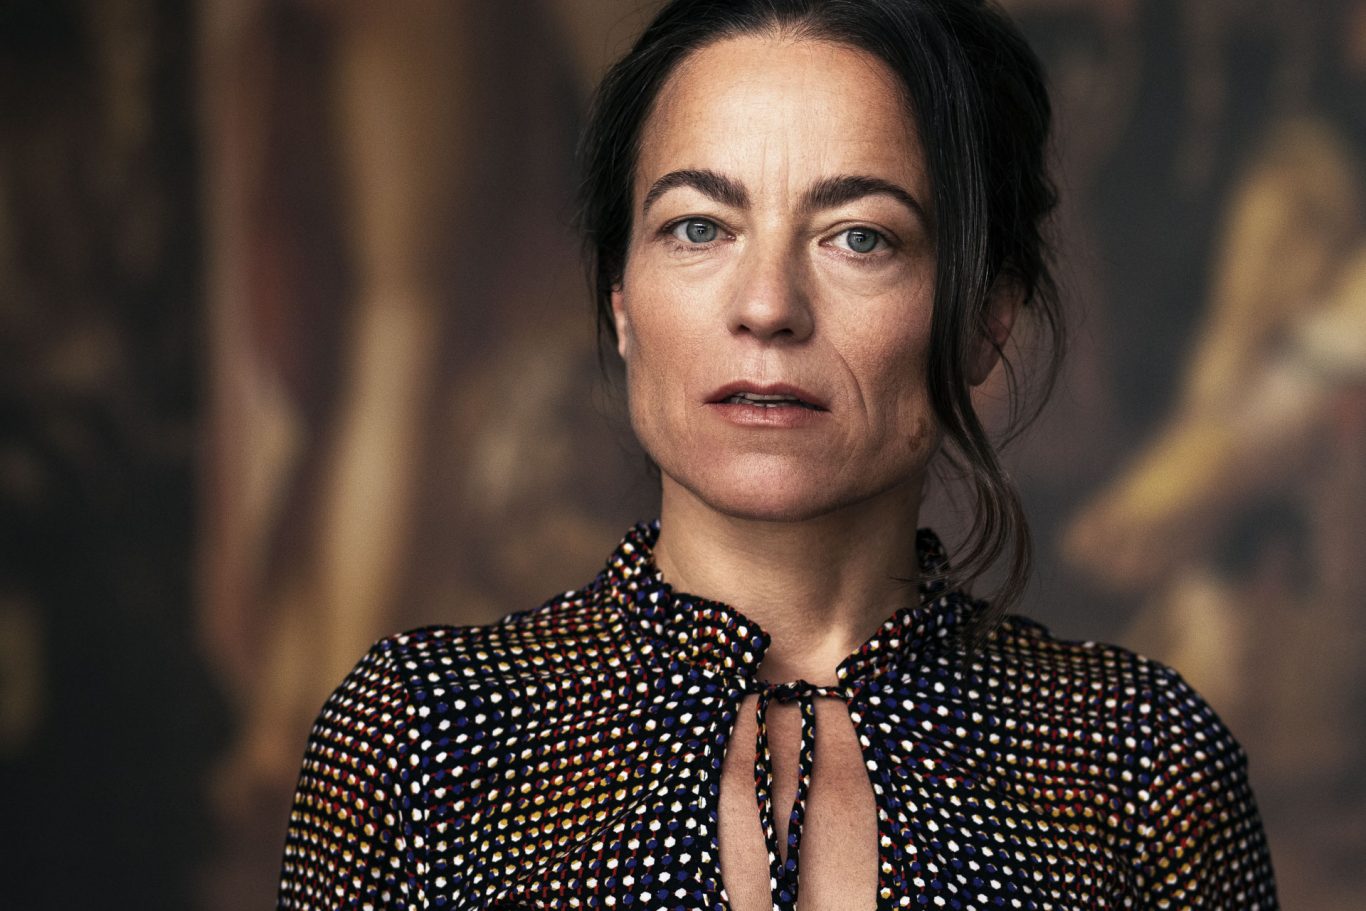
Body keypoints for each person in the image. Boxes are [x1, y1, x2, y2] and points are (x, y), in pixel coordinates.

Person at [277, 1, 1278, 908]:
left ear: (985, 317)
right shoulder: (420, 734)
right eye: (697, 227)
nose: (766, 306)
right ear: (622, 302)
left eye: (858, 237)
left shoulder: (1139, 761)